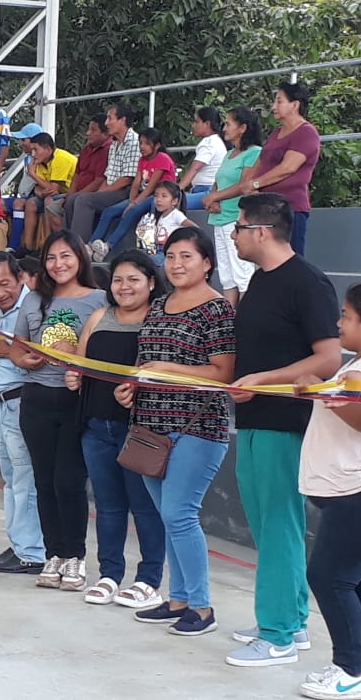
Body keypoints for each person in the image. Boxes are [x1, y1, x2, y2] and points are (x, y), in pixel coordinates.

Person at [223, 193, 341, 667]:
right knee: (267, 523)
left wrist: (263, 380)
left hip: (284, 421)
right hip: (254, 417)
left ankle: (277, 637)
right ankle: (291, 618)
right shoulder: (259, 280)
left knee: (278, 524)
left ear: (261, 231)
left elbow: (328, 358)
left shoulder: (307, 282)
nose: (233, 235)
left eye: (238, 227)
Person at [116, 227, 235, 636]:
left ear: (207, 263)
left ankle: (201, 607)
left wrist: (169, 370)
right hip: (151, 428)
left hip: (197, 426)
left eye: (187, 256)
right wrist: (131, 387)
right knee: (170, 516)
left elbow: (223, 373)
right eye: (170, 256)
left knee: (179, 513)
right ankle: (179, 599)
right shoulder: (159, 304)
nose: (177, 264)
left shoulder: (217, 309)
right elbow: (146, 361)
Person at [64, 250, 166, 606]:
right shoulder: (99, 316)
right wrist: (74, 376)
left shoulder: (158, 319)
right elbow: (79, 362)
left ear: (151, 283)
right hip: (96, 425)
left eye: (133, 279)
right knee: (107, 505)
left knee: (144, 506)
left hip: (139, 430)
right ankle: (110, 574)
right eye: (118, 279)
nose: (124, 287)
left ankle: (149, 579)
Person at [11, 230, 105, 590]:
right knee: (44, 480)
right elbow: (17, 346)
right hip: (36, 397)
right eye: (51, 258)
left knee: (69, 481)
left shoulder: (99, 299)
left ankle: (75, 556)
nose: (58, 264)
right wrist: (25, 359)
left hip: (75, 400)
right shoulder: (34, 300)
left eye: (66, 256)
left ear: (80, 258)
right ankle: (54, 554)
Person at [294, 284, 361, 700]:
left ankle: (351, 668)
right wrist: (317, 384)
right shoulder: (353, 367)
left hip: (355, 491)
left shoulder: (357, 373)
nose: (338, 323)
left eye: (347, 316)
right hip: (342, 489)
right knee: (352, 581)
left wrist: (333, 392)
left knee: (329, 577)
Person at [0, 251, 46, 574]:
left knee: (24, 480)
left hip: (22, 401)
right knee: (12, 480)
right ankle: (20, 544)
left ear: (20, 277)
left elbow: (41, 356)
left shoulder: (33, 308)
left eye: (5, 283)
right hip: (3, 403)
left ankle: (32, 551)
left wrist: (7, 351)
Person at [238, 82, 320, 256]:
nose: (273, 106)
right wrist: (248, 185)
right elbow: (260, 162)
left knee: (290, 258)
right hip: (265, 207)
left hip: (289, 207)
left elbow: (288, 167)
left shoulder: (306, 132)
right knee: (266, 256)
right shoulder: (276, 133)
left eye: (279, 101)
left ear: (295, 105)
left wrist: (255, 184)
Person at [200, 107, 264, 305]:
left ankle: (245, 315)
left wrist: (214, 197)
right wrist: (213, 198)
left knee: (242, 272)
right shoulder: (228, 154)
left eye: (228, 124)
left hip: (236, 218)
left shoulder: (254, 153)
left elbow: (244, 185)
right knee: (227, 275)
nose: (224, 128)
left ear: (242, 128)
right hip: (220, 217)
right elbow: (218, 180)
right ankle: (229, 317)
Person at [89, 128, 178, 261]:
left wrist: (133, 204)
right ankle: (90, 246)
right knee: (109, 211)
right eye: (140, 143)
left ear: (157, 145)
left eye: (147, 143)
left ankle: (108, 246)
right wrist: (131, 201)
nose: (142, 147)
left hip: (158, 196)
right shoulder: (142, 160)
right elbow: (136, 183)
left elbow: (151, 187)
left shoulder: (162, 158)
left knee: (131, 212)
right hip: (143, 195)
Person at [71, 103, 140, 241]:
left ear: (122, 120)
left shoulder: (134, 142)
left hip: (125, 191)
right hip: (112, 188)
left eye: (110, 118)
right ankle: (69, 241)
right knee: (72, 200)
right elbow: (108, 175)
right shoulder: (114, 144)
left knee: (84, 200)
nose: (106, 123)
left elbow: (127, 179)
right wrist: (99, 192)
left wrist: (101, 192)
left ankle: (79, 245)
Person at [23, 132, 78, 247]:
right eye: (32, 150)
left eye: (35, 150)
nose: (33, 154)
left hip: (70, 194)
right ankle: (27, 246)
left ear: (48, 149)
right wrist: (40, 193)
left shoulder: (61, 158)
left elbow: (54, 188)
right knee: (30, 203)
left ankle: (47, 244)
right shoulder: (40, 161)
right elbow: (37, 188)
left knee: (48, 201)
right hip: (52, 194)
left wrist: (33, 175)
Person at [62, 115, 112, 229]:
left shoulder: (107, 150)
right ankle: (59, 238)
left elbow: (99, 181)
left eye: (93, 130)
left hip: (90, 193)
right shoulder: (86, 149)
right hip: (76, 192)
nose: (88, 133)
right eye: (89, 129)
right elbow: (77, 174)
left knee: (74, 201)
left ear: (105, 134)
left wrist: (76, 195)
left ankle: (73, 238)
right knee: (51, 205)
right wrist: (70, 194)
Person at [133, 181, 196, 266]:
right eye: (156, 196)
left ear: (174, 201)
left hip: (168, 251)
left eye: (164, 196)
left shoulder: (176, 214)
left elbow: (193, 227)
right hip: (157, 249)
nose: (158, 199)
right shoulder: (160, 217)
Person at [177, 107, 229, 210]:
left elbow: (195, 169)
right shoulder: (215, 140)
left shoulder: (208, 143)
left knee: (169, 202)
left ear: (207, 124)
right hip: (206, 189)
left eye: (196, 122)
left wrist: (176, 190)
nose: (193, 125)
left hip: (207, 190)